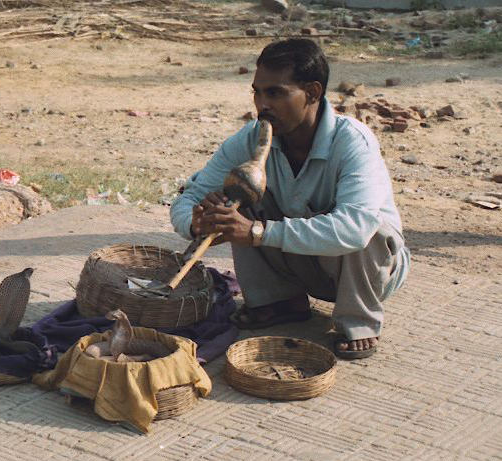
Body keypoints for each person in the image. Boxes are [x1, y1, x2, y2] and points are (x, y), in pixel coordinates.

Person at [170, 39, 410, 359]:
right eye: (257, 92)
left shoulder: (352, 141)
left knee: (369, 227)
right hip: (301, 264)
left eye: (275, 93)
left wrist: (257, 232)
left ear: (312, 92)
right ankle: (279, 302)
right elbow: (192, 194)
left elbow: (356, 228)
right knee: (235, 204)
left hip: (363, 272)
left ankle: (359, 321)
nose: (261, 105)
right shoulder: (251, 139)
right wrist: (196, 223)